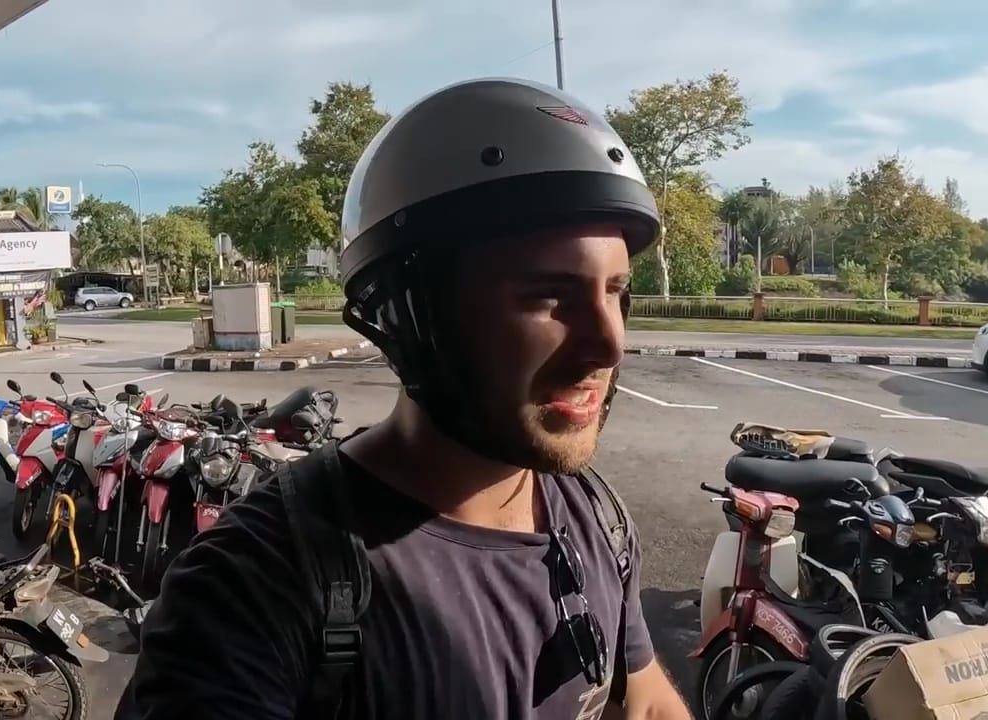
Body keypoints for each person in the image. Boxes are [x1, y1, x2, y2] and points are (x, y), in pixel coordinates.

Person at [115, 77, 692, 720]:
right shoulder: (255, 588)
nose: (608, 346)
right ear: (413, 314)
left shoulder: (596, 518)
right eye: (546, 296)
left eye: (616, 292)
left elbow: (645, 704)